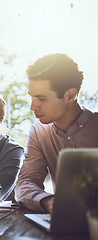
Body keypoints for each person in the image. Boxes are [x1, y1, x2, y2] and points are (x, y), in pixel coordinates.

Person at [15, 53, 98, 213]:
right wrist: (48, 201)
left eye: (41, 99)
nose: (32, 106)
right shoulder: (39, 132)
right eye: (31, 97)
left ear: (70, 95)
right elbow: (26, 182)